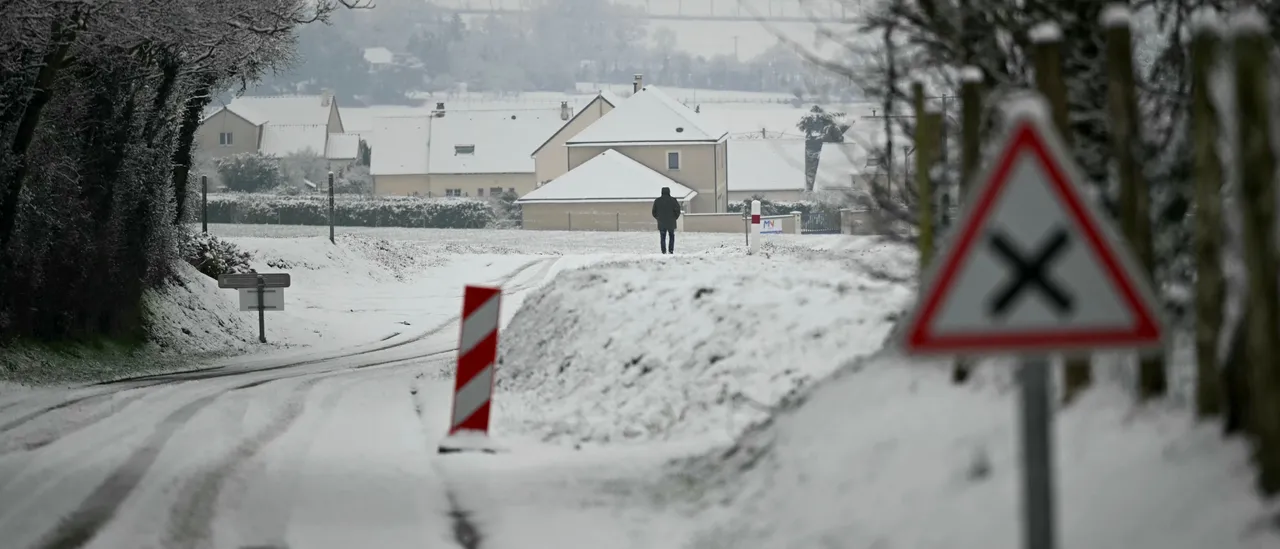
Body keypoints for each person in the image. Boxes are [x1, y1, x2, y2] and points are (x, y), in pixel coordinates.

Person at [651, 187, 681, 254]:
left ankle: (663, 251)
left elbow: (654, 212)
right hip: (671, 222)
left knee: (662, 237)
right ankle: (671, 250)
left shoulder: (657, 201)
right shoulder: (673, 200)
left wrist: (658, 218)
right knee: (671, 236)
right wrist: (674, 218)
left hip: (661, 222)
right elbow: (678, 210)